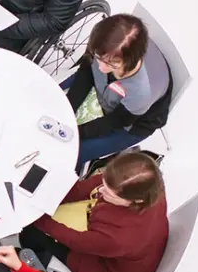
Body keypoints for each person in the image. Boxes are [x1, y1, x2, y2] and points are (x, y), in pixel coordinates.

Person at [20, 151, 168, 272]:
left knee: (31, 233)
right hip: (137, 252)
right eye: (104, 182)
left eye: (109, 193)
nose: (101, 190)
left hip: (109, 271)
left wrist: (35, 215)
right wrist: (50, 199)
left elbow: (76, 241)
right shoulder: (151, 187)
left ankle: (38, 263)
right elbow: (89, 187)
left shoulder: (118, 238)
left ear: (136, 200)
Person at [62, 13, 172, 171]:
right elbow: (86, 70)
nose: (101, 67)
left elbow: (115, 122)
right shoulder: (102, 45)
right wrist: (67, 109)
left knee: (76, 151)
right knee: (54, 101)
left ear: (129, 61)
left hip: (132, 123)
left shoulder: (141, 92)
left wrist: (75, 132)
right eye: (98, 57)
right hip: (107, 91)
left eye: (111, 64)